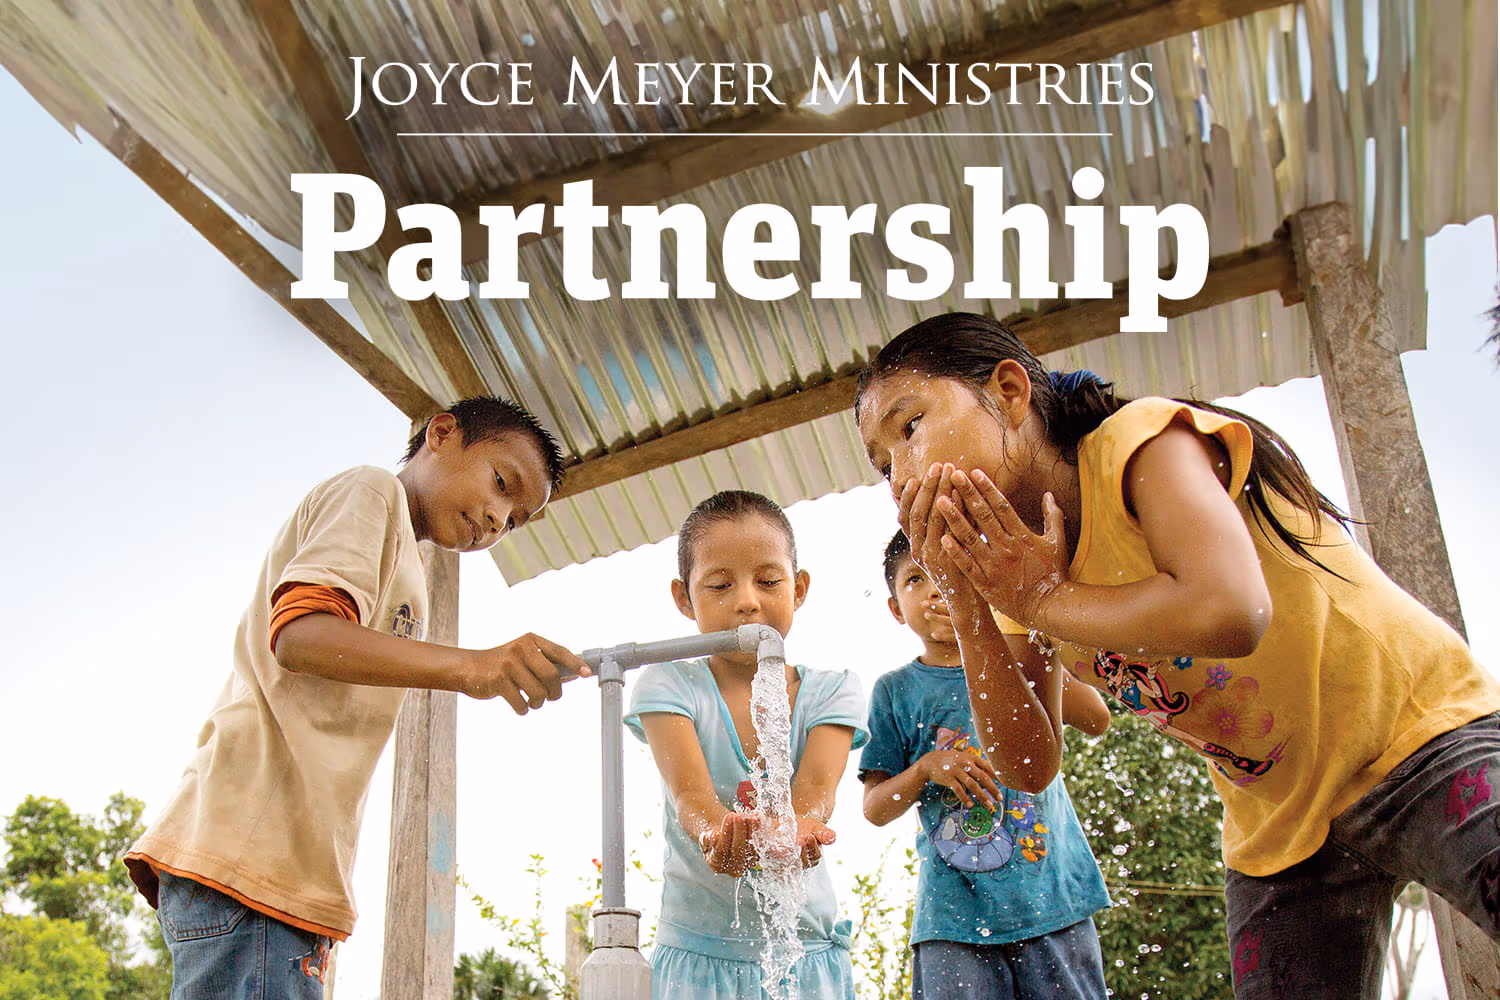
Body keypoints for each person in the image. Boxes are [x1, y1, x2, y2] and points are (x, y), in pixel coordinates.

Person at [854, 311, 1500, 1000]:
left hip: (1415, 736)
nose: (900, 473)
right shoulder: (1015, 581)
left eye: (910, 426)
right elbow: (1028, 764)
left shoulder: (1141, 444)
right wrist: (970, 603)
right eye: (883, 463)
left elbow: (1230, 609)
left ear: (1009, 392)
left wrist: (1043, 596)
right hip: (1280, 827)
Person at [124, 396, 592, 999]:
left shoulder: (409, 573)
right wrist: (473, 666)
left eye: (517, 517)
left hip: (283, 872)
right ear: (442, 434)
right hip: (252, 860)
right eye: (502, 484)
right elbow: (300, 634)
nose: (500, 518)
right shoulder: (371, 493)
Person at [624, 490, 867, 999]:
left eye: (768, 580)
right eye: (719, 584)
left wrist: (798, 829)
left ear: (798, 588)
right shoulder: (668, 686)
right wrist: (716, 834)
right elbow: (691, 797)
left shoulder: (831, 690)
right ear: (683, 598)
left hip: (807, 953)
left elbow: (817, 790)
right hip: (700, 955)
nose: (747, 600)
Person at [860, 529, 1112, 1000]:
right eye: (916, 579)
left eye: (950, 575)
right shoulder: (895, 691)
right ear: (896, 608)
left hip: (1052, 901)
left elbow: (1097, 719)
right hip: (953, 919)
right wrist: (925, 769)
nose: (936, 589)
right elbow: (875, 807)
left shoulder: (1019, 659)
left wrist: (1030, 636)